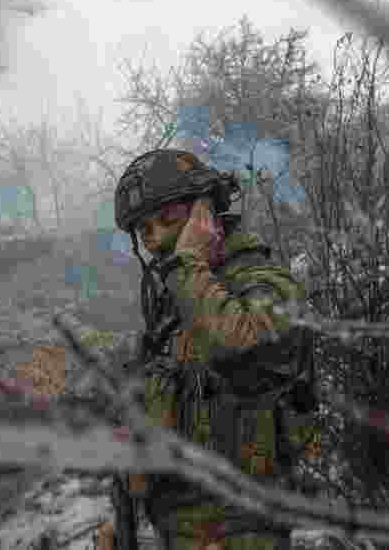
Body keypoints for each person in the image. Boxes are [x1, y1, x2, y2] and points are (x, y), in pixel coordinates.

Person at [96, 148, 319, 550]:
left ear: (207, 212)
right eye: (144, 229)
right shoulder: (176, 304)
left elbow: (248, 354)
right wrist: (124, 525)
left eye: (168, 218)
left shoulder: (262, 283)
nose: (157, 237)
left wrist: (186, 266)